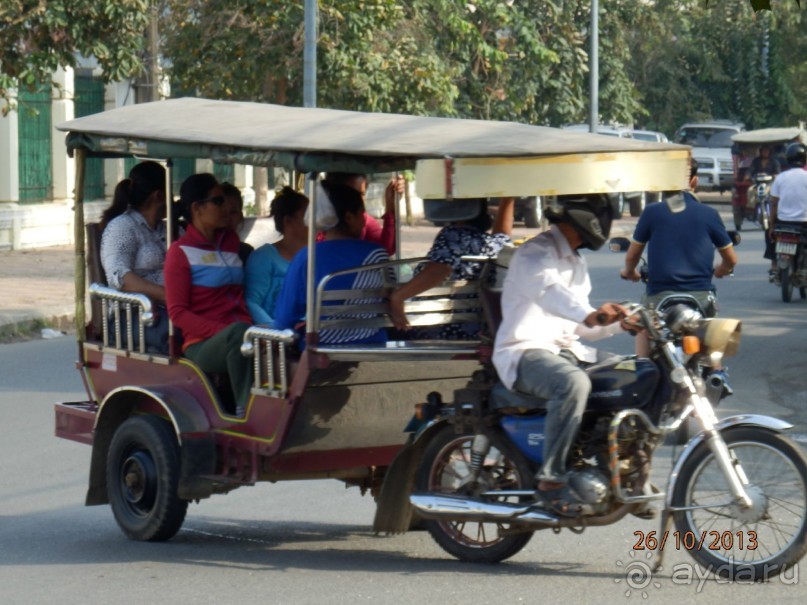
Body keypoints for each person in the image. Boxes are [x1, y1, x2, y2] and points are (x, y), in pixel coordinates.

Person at [493, 194, 631, 516]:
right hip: (524, 351)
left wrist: (621, 323)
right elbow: (551, 294)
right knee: (573, 384)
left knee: (629, 374)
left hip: (567, 349)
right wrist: (591, 314)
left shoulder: (576, 262)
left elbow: (583, 326)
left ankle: (623, 471)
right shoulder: (534, 253)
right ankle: (551, 480)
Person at [164, 173, 253, 415]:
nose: (226, 208)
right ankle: (246, 409)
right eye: (218, 201)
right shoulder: (180, 253)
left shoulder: (231, 242)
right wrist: (221, 332)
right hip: (202, 345)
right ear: (197, 208)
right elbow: (178, 313)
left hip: (243, 332)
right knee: (238, 335)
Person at [273, 180, 390, 348]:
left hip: (319, 348)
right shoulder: (378, 254)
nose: (365, 222)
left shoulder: (306, 256)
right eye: (362, 215)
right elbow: (388, 297)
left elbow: (285, 317)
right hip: (374, 343)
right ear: (349, 217)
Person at [620, 157, 737, 323]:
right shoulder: (709, 213)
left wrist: (630, 272)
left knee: (645, 329)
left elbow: (632, 257)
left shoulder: (651, 212)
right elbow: (731, 259)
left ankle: (643, 351)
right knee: (711, 339)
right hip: (700, 296)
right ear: (694, 181)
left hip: (658, 295)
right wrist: (721, 270)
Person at [389, 197, 514, 339]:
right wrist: (507, 198)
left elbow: (440, 269)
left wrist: (397, 297)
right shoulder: (496, 244)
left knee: (388, 327)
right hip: (480, 329)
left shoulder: (453, 234)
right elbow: (503, 234)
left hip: (440, 329)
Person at [99, 161, 169, 353]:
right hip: (134, 315)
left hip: (171, 309)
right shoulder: (123, 226)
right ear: (159, 196)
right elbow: (120, 277)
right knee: (179, 333)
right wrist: (166, 295)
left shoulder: (168, 228)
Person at [244, 187, 309, 326]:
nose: (316, 221)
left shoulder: (317, 257)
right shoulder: (263, 257)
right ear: (288, 222)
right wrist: (275, 331)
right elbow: (251, 302)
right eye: (309, 215)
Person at [318, 172, 405, 255]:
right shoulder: (315, 224)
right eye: (351, 194)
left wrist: (390, 206)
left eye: (362, 194)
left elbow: (385, 249)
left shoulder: (362, 220)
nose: (359, 200)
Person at [768, 142, 807, 275]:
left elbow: (774, 203)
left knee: (770, 235)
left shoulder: (780, 177)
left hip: (782, 222)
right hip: (803, 223)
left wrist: (772, 226)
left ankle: (774, 263)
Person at [221, 182, 255, 265]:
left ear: (240, 216)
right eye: (222, 212)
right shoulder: (199, 252)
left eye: (233, 212)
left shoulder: (247, 253)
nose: (227, 217)